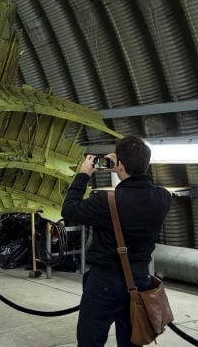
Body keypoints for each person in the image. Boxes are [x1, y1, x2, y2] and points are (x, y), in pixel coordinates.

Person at [61, 135, 171, 347]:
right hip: (140, 281)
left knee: (90, 341)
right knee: (133, 340)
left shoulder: (105, 201)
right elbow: (142, 188)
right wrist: (126, 169)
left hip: (105, 282)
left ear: (119, 164)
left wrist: (83, 175)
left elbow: (69, 209)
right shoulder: (163, 198)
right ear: (146, 164)